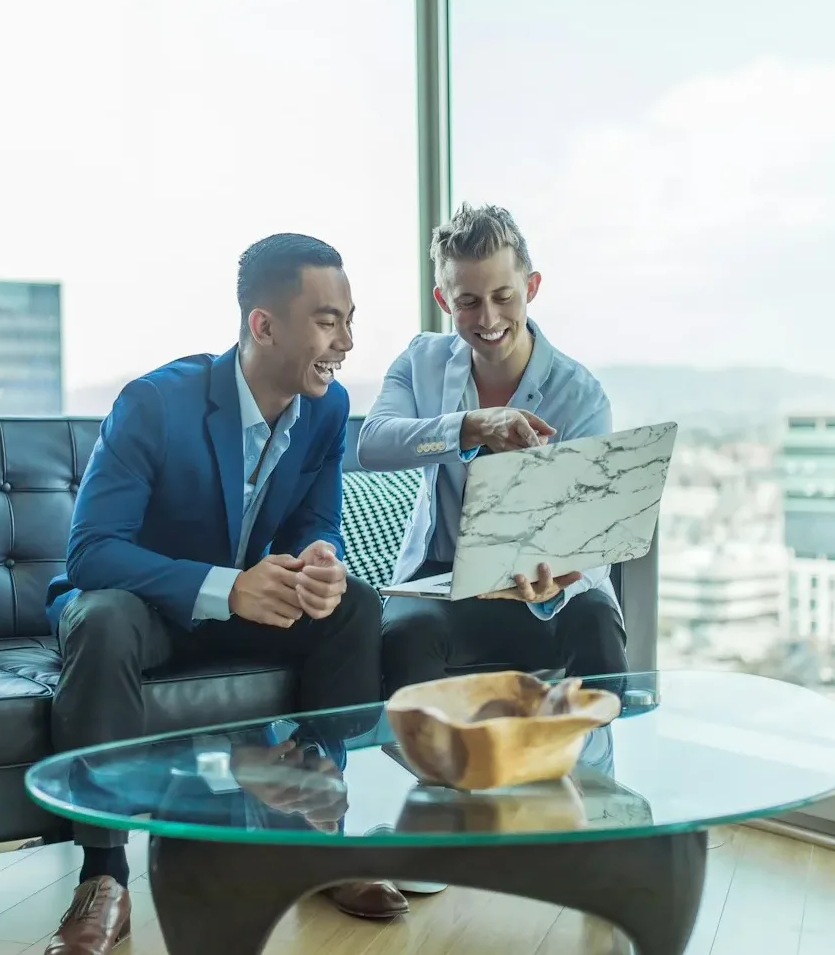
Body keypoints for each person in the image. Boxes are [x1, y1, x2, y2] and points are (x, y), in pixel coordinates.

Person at [43, 234, 404, 955]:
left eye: (350, 318)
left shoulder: (327, 409)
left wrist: (320, 559)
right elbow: (91, 551)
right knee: (103, 620)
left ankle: (314, 825)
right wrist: (225, 588)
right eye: (328, 320)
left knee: (355, 604)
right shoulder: (154, 402)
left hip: (244, 604)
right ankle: (103, 878)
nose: (347, 341)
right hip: (144, 605)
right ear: (263, 325)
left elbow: (315, 519)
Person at [358, 203, 628, 698]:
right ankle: (429, 775)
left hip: (545, 585)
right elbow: (373, 444)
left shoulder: (581, 395)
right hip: (442, 581)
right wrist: (470, 427)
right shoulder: (421, 362)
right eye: (468, 301)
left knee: (595, 622)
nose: (488, 318)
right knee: (405, 635)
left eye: (504, 296)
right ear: (443, 299)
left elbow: (594, 535)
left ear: (532, 287)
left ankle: (593, 773)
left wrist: (560, 579)